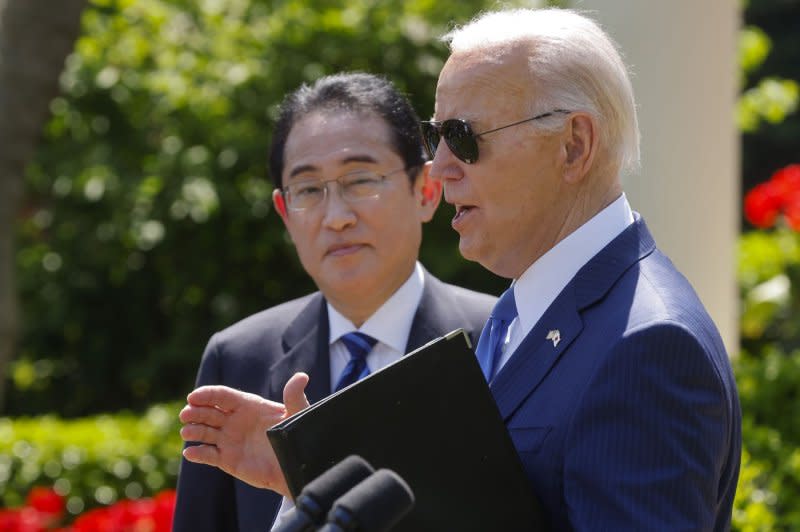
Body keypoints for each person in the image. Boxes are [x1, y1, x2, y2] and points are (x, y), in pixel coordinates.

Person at [179, 8, 742, 530]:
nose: (440, 167)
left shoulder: (646, 344)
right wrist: (310, 476)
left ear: (573, 145)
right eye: (435, 136)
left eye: (464, 138)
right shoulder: (523, 307)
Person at [172, 72, 496, 532]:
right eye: (308, 190)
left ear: (426, 190)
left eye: (360, 180)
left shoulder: (500, 338)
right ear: (284, 212)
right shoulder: (238, 358)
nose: (337, 217)